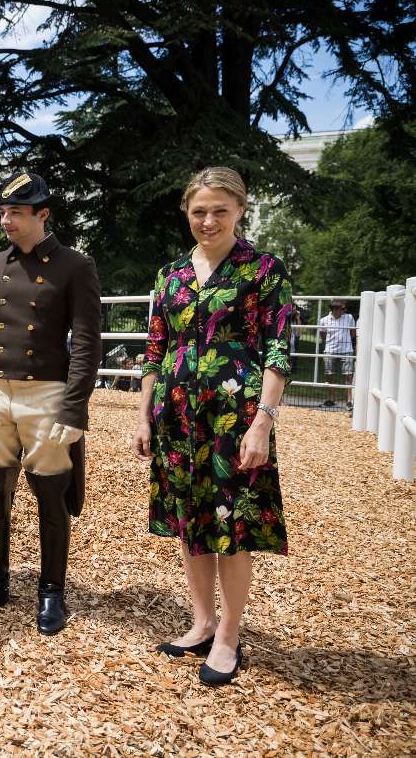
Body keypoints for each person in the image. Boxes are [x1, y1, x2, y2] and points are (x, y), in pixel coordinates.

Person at [131, 167, 293, 687]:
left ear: (240, 211)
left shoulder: (263, 270)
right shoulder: (171, 274)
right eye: (199, 211)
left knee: (231, 528)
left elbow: (277, 349)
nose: (208, 220)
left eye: (220, 210)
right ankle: (201, 622)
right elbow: (155, 350)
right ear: (187, 213)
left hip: (235, 418)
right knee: (190, 521)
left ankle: (228, 634)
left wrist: (263, 422)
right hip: (176, 418)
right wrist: (142, 416)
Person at [0, 170, 101, 633]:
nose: (6, 221)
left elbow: (88, 343)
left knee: (50, 497)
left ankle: (52, 590)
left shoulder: (76, 266)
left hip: (47, 395)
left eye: (15, 212)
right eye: (3, 211)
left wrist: (74, 409)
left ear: (43, 214)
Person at [318, 300, 355, 409]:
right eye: (341, 309)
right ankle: (331, 399)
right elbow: (322, 335)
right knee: (329, 375)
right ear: (334, 309)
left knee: (348, 375)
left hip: (346, 350)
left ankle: (349, 400)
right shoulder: (324, 320)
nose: (343, 311)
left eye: (343, 309)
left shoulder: (349, 318)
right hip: (330, 350)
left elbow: (353, 333)